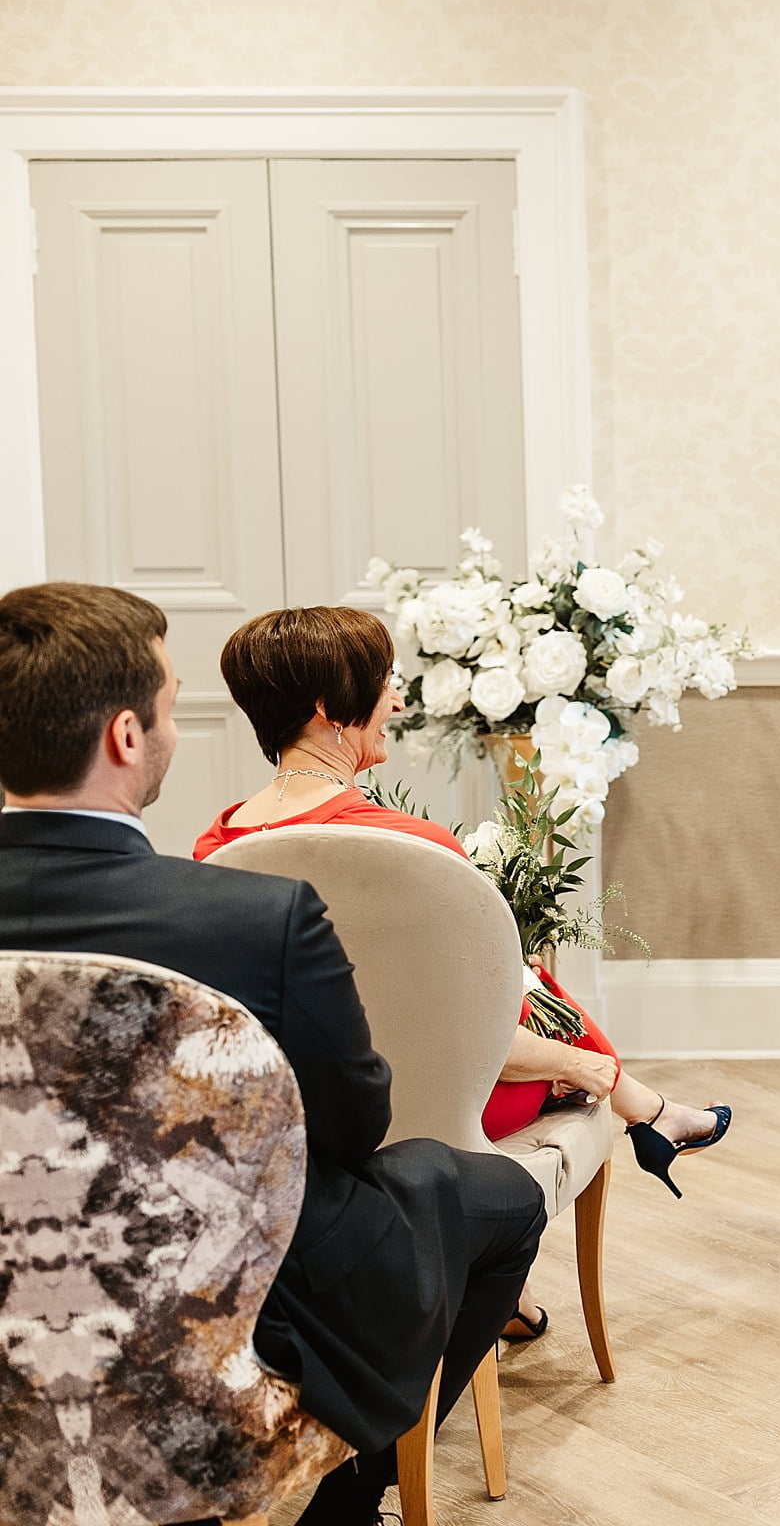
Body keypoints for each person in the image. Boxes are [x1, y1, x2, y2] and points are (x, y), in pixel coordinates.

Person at [0, 582, 546, 1526]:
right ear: (128, 738)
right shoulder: (256, 920)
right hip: (214, 1350)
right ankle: (351, 1491)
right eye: (171, 705)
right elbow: (348, 1128)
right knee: (491, 1193)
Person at [195, 603, 733, 1341]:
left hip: (300, 1117)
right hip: (434, 1120)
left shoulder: (216, 846)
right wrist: (581, 1062)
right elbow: (470, 1048)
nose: (396, 701)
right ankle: (635, 1109)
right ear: (328, 709)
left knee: (521, 984)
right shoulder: (409, 848)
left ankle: (637, 1120)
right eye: (384, 684)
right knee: (529, 1000)